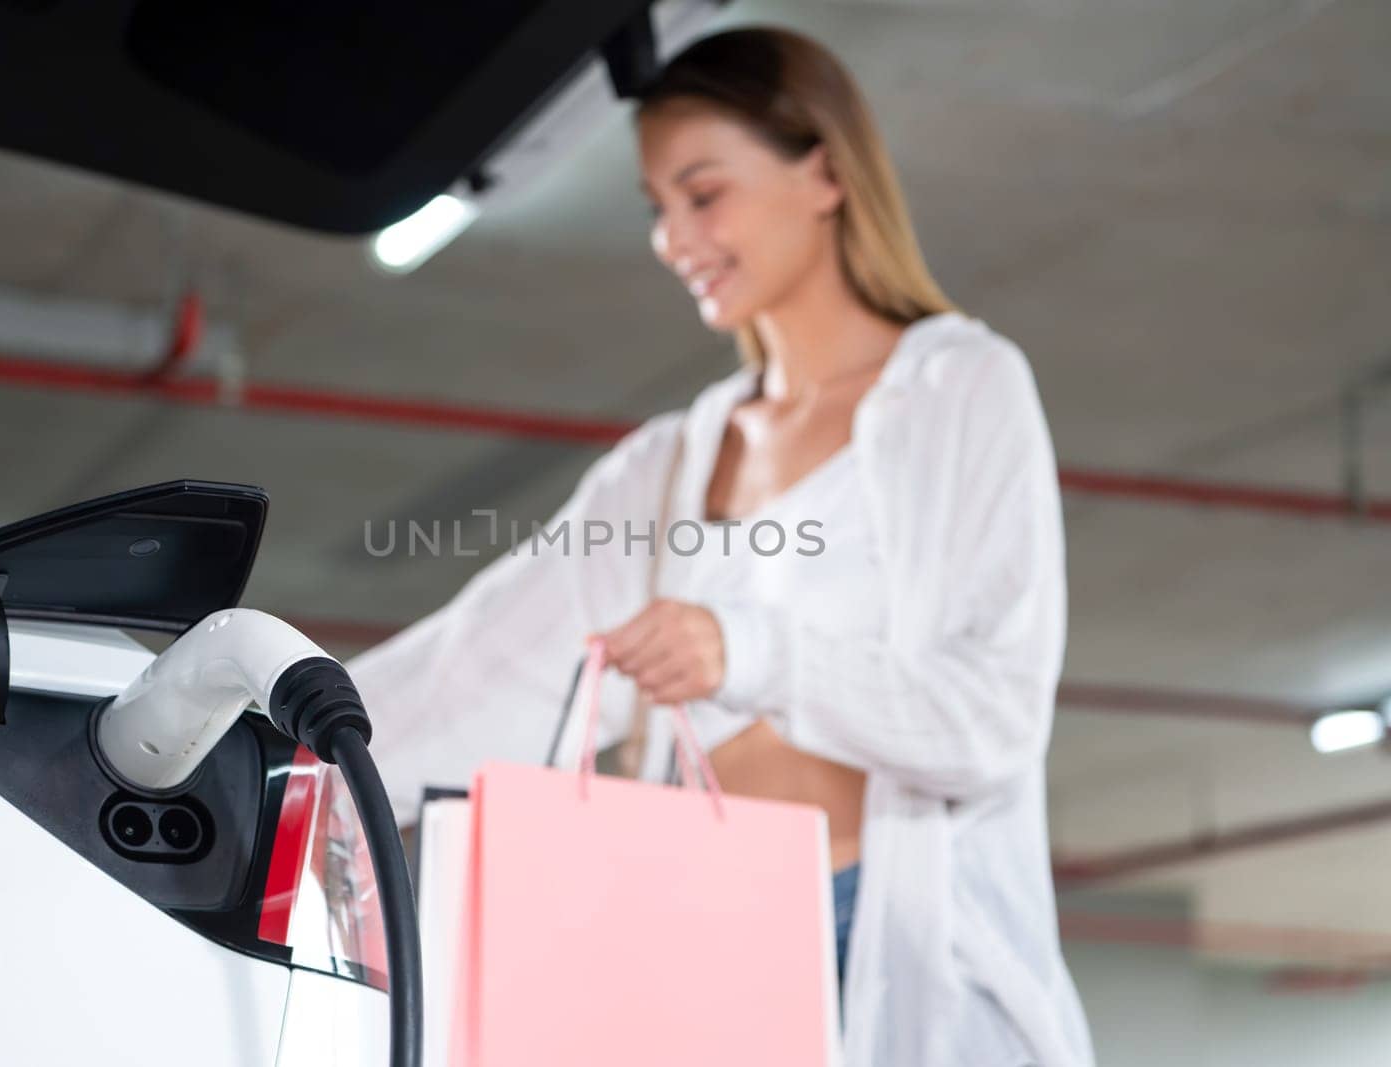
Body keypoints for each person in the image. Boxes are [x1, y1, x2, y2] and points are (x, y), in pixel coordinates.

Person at [347, 25, 1093, 1067]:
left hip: (893, 939)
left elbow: (994, 712)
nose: (670, 235)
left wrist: (751, 650)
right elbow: (483, 662)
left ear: (823, 171)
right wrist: (283, 724)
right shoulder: (668, 460)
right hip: (700, 942)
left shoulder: (960, 389)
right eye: (658, 207)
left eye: (703, 193)